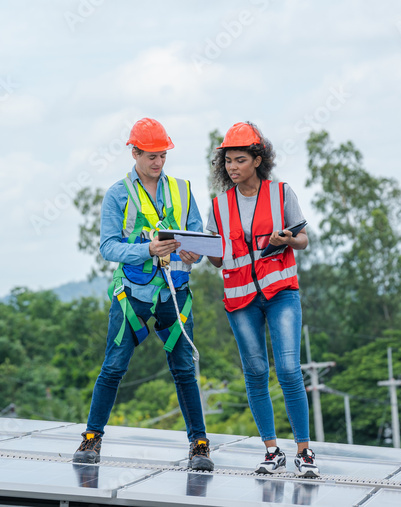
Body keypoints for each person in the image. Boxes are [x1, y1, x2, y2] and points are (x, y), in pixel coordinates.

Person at [73, 117, 214, 471]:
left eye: (163, 155)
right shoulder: (118, 194)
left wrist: (192, 252)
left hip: (175, 292)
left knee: (184, 369)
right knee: (113, 367)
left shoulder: (182, 189)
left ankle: (199, 445)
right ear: (134, 153)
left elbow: (196, 233)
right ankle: (91, 438)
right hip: (133, 295)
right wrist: (148, 250)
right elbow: (108, 247)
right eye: (151, 155)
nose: (158, 162)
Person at [206, 121, 318, 478]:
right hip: (240, 299)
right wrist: (202, 249)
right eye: (227, 161)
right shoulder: (219, 205)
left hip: (281, 292)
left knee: (287, 370)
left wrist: (287, 240)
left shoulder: (281, 193)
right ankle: (272, 451)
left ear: (258, 159)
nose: (232, 167)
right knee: (255, 373)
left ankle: (304, 450)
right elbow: (218, 258)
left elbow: (302, 240)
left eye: (240, 160)